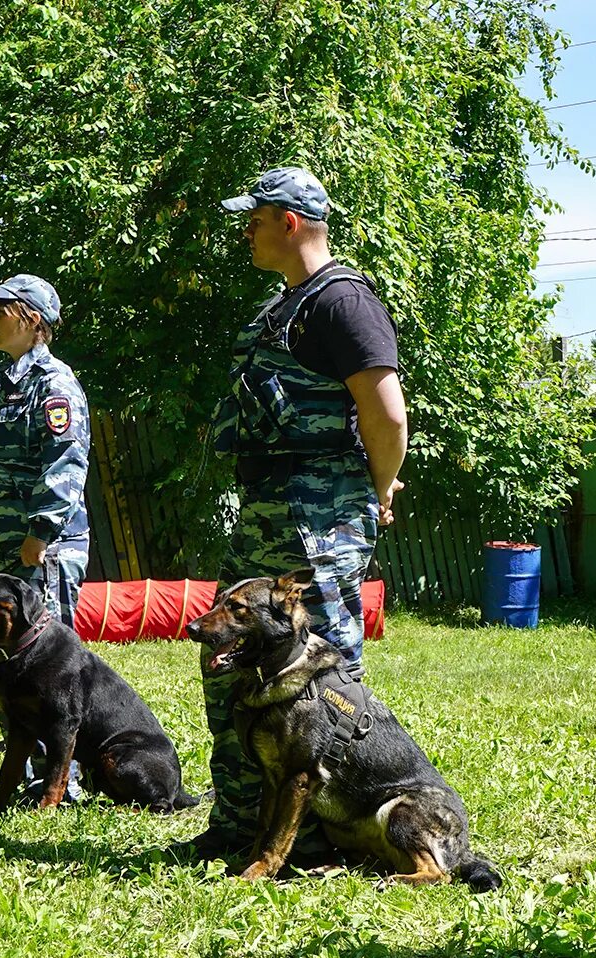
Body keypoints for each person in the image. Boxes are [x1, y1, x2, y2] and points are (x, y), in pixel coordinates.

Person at [189, 166, 408, 862]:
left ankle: (318, 834)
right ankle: (241, 823)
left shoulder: (343, 302)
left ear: (289, 221)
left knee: (321, 678)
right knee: (229, 662)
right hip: (268, 509)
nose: (245, 231)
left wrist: (381, 487)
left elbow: (386, 411)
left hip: (317, 518)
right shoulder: (286, 305)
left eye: (253, 219)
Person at [0, 274, 91, 623]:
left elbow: (65, 462)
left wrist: (40, 533)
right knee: (7, 651)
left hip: (42, 548)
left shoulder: (54, 383)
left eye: (0, 311)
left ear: (33, 318)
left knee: (47, 656)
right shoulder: (2, 382)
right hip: (4, 542)